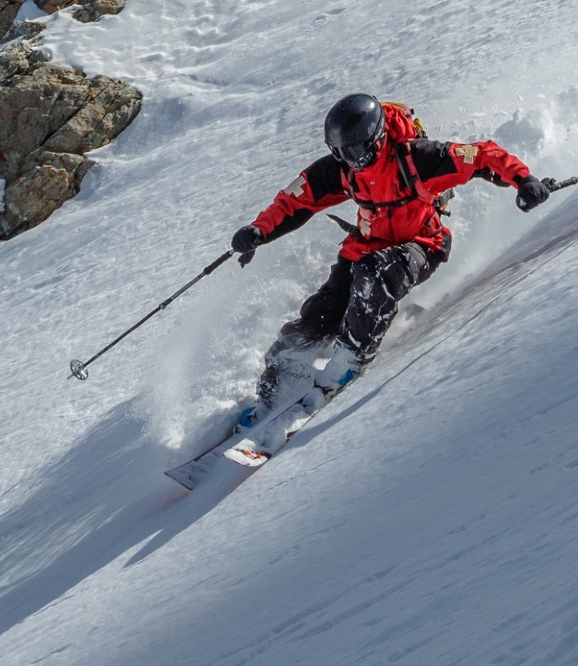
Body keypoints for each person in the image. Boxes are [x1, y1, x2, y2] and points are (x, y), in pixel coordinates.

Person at [231, 93, 547, 423]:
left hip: (421, 244)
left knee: (373, 276)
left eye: (357, 152)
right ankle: (272, 394)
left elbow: (481, 156)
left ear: (377, 138)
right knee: (315, 320)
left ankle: (350, 358)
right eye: (342, 153)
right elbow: (296, 198)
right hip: (367, 244)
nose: (352, 161)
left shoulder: (418, 159)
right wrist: (258, 231)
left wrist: (524, 180)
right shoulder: (345, 170)